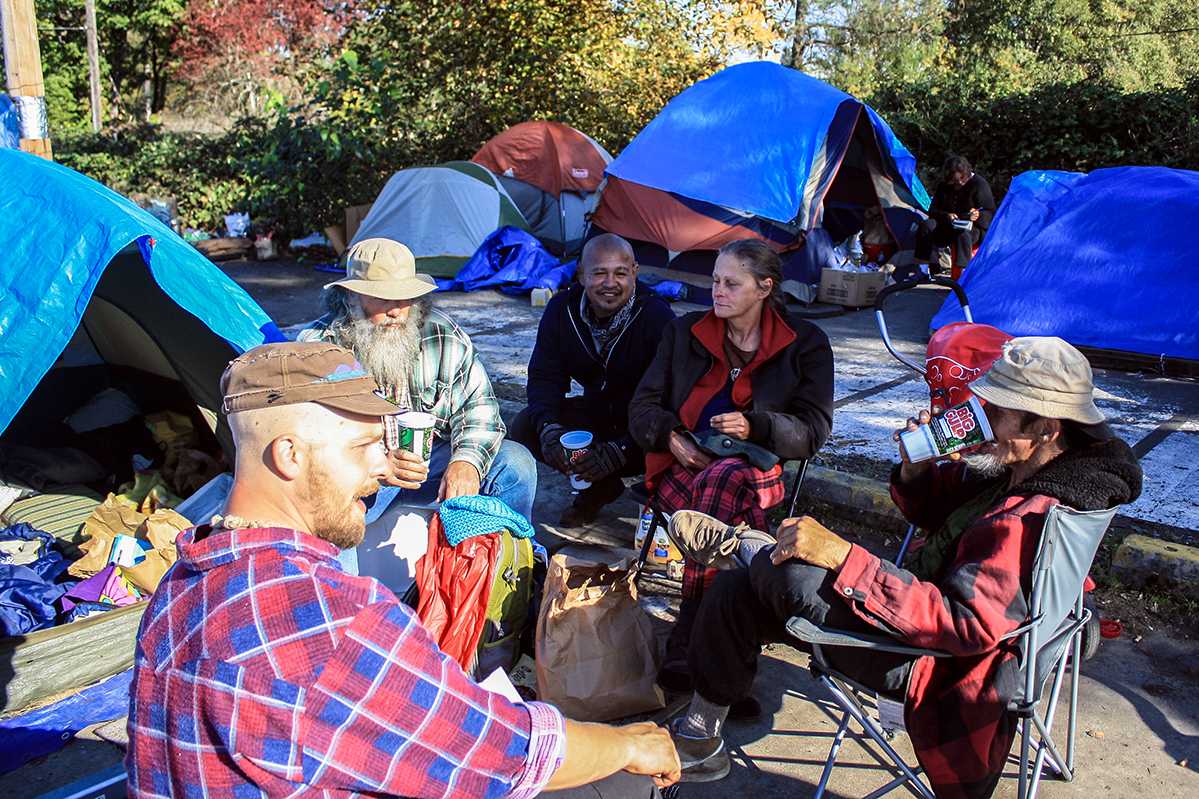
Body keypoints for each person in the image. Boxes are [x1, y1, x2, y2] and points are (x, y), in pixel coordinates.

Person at [125, 341, 680, 799]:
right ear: (289, 456)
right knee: (621, 786)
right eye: (364, 445)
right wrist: (630, 745)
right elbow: (502, 750)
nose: (383, 466)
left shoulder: (181, 579)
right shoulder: (334, 621)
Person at [663, 337, 1142, 797]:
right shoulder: (1032, 474)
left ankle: (747, 544)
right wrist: (917, 468)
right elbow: (937, 516)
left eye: (998, 411)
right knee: (737, 589)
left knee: (781, 571)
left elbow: (966, 624)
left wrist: (843, 557)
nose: (983, 418)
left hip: (939, 663)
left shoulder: (1030, 515)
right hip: (921, 615)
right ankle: (702, 736)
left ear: (1045, 429)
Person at [628, 238, 834, 693]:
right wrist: (673, 439)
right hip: (683, 466)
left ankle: (690, 639)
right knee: (723, 492)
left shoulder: (806, 345)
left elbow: (814, 430)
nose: (717, 291)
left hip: (759, 470)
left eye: (731, 283)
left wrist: (755, 425)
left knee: (726, 480)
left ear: (764, 287)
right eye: (716, 281)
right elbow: (642, 406)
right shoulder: (684, 333)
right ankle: (722, 656)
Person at [297, 238, 537, 526]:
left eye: (405, 297)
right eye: (382, 298)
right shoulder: (317, 349)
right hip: (358, 479)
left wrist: (466, 461)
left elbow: (479, 407)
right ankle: (337, 571)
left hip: (430, 468)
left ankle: (510, 564)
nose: (397, 310)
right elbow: (307, 443)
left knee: (515, 463)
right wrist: (374, 464)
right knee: (320, 500)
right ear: (351, 298)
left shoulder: (441, 334)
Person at [511, 234, 674, 526]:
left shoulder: (656, 316)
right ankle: (599, 487)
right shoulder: (562, 309)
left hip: (641, 431)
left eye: (620, 273)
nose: (610, 283)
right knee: (526, 425)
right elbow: (544, 377)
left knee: (672, 435)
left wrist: (622, 449)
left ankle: (658, 506)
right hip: (596, 419)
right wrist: (549, 429)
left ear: (634, 273)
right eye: (599, 273)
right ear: (582, 275)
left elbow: (670, 399)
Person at [914, 155, 996, 274]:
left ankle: (962, 272)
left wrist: (978, 215)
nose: (960, 184)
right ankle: (927, 267)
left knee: (962, 234)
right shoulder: (944, 186)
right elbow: (933, 210)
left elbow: (990, 212)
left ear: (968, 174)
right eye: (955, 182)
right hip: (947, 225)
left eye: (962, 179)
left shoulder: (979, 184)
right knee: (926, 226)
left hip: (971, 229)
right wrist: (946, 215)